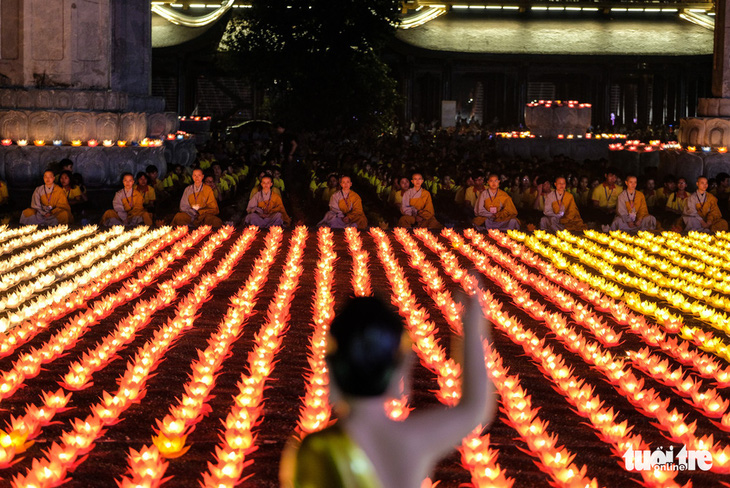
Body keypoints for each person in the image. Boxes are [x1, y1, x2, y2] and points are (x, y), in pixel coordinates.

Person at [280, 295, 493, 488]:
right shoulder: (411, 441)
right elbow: (474, 408)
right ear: (400, 369)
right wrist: (472, 325)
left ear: (332, 368)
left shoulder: (315, 450)